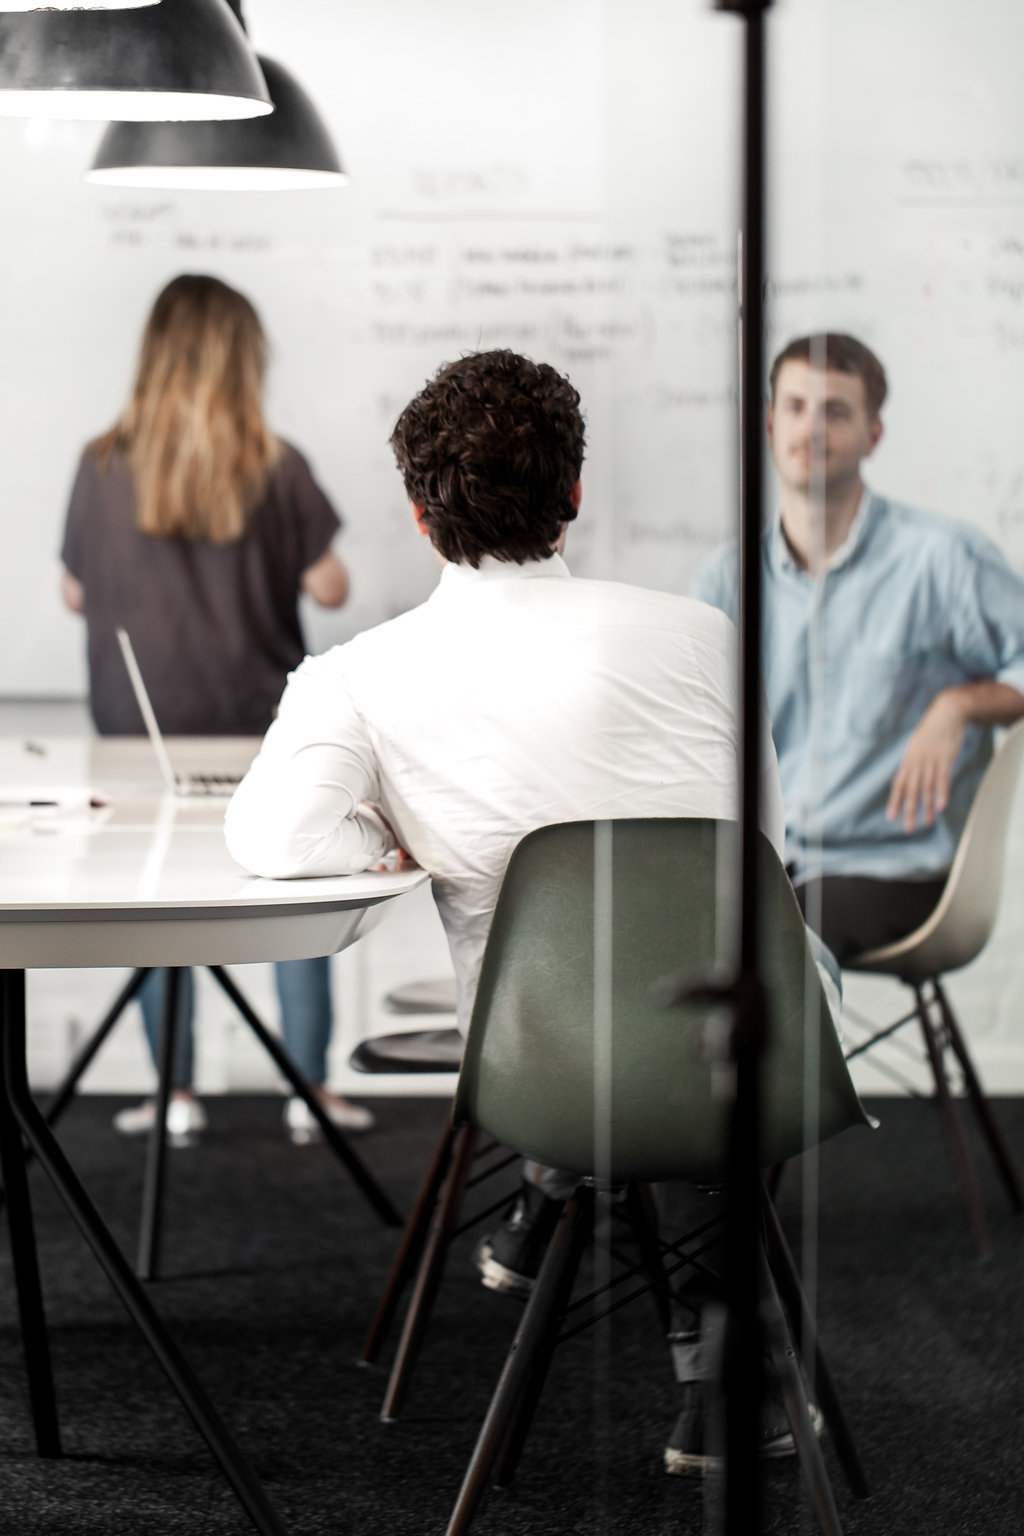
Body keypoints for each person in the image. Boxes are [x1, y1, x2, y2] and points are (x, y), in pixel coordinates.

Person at [224, 347, 812, 1472]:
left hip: (541, 1070)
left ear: (418, 515)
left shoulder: (359, 676)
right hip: (751, 1044)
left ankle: (556, 1193)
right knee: (699, 1032)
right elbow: (765, 855)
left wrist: (382, 836)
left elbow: (271, 841)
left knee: (611, 1042)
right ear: (574, 493)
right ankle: (727, 1387)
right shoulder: (703, 635)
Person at [60, 273, 375, 1145]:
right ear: (245, 360)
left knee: (155, 908)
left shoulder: (101, 464)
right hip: (258, 728)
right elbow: (330, 586)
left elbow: (74, 592)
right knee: (292, 888)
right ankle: (310, 1091)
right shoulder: (277, 465)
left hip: (139, 733)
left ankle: (175, 1095)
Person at [693, 331, 1024, 962]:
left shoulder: (945, 561)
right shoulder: (726, 580)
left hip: (897, 869)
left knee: (765, 941)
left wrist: (960, 704)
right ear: (770, 424)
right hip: (772, 864)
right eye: (796, 407)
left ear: (874, 435)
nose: (811, 429)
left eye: (836, 411)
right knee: (663, 930)